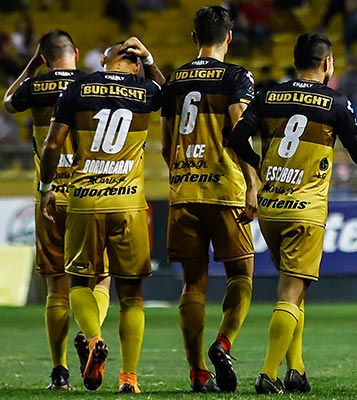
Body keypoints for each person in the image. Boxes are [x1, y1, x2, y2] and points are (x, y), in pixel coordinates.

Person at [228, 32, 357, 394]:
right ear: (327, 63)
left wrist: (262, 165)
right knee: (290, 292)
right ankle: (268, 374)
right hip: (305, 209)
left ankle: (295, 369)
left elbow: (236, 139)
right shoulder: (335, 102)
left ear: (295, 61)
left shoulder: (267, 95)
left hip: (270, 207)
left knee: (296, 291)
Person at [39, 37, 164, 393]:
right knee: (133, 295)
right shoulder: (144, 89)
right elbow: (171, 95)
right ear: (135, 64)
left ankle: (94, 340)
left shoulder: (78, 87)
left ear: (104, 61)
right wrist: (151, 59)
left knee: (78, 282)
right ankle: (129, 378)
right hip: (128, 204)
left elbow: (51, 145)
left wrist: (47, 187)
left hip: (84, 201)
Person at [2, 29, 111, 390]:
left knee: (56, 287)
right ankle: (91, 335)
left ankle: (60, 372)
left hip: (48, 197)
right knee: (101, 277)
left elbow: (7, 101)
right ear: (76, 52)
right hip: (88, 195)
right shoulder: (93, 84)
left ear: (44, 58)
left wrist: (31, 66)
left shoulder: (36, 86)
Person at [160, 5, 257, 394]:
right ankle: (224, 342)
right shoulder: (237, 76)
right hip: (225, 188)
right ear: (229, 37)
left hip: (184, 191)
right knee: (242, 275)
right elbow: (239, 126)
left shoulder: (175, 80)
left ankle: (198, 372)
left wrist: (183, 174)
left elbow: (167, 145)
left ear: (193, 38)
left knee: (192, 285)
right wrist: (252, 182)